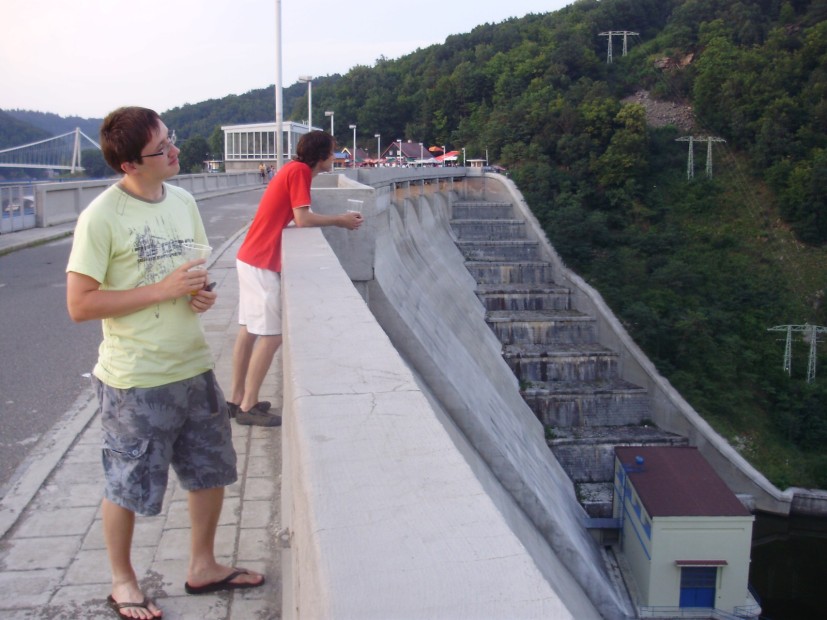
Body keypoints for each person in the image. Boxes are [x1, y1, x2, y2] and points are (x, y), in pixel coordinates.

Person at [66, 106, 264, 619]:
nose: (175, 151)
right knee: (128, 483)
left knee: (211, 471)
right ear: (130, 164)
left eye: (170, 139)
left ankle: (204, 566)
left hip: (193, 366)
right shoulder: (101, 218)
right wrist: (162, 290)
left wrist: (200, 295)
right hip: (136, 380)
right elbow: (80, 304)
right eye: (162, 148)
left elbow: (190, 277)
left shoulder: (182, 200)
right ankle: (123, 582)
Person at [229, 130, 363, 426]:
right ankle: (248, 407)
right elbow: (302, 219)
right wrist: (340, 220)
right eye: (332, 151)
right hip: (261, 261)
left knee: (248, 330)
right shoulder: (300, 171)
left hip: (249, 256)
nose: (335, 156)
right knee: (272, 335)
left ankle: (236, 398)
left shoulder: (292, 169)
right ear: (321, 155)